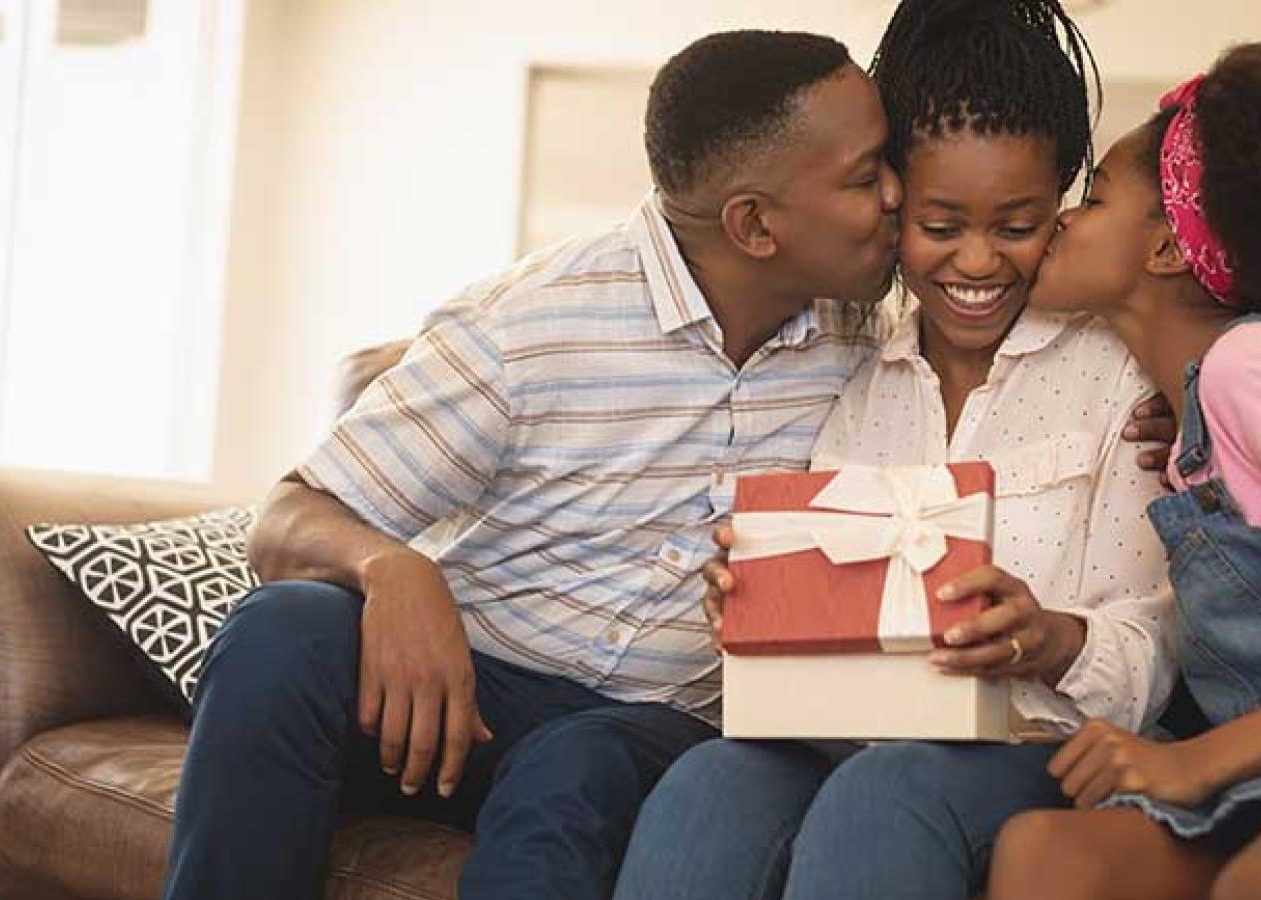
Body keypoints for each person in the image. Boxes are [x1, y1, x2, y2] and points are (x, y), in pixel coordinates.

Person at [160, 30, 904, 900]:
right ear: (753, 223)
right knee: (281, 629)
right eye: (866, 177)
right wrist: (393, 567)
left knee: (579, 759)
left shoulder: (875, 347)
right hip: (455, 693)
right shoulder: (527, 326)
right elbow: (285, 520)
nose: (899, 194)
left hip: (644, 731)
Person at [613, 3, 1179, 899]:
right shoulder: (850, 366)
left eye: (1019, 224)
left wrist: (1049, 638)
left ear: (1063, 206)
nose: (980, 261)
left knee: (889, 791)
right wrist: (761, 596)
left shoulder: (1120, 383)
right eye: (941, 224)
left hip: (1039, 752)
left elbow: (1151, 660)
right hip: (851, 738)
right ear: (892, 200)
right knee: (708, 781)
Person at [988, 42, 1261, 900]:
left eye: (1097, 197)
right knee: (1047, 856)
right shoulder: (1194, 414)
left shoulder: (1255, 366)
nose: (1064, 220)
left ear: (1168, 252)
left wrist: (1194, 760)